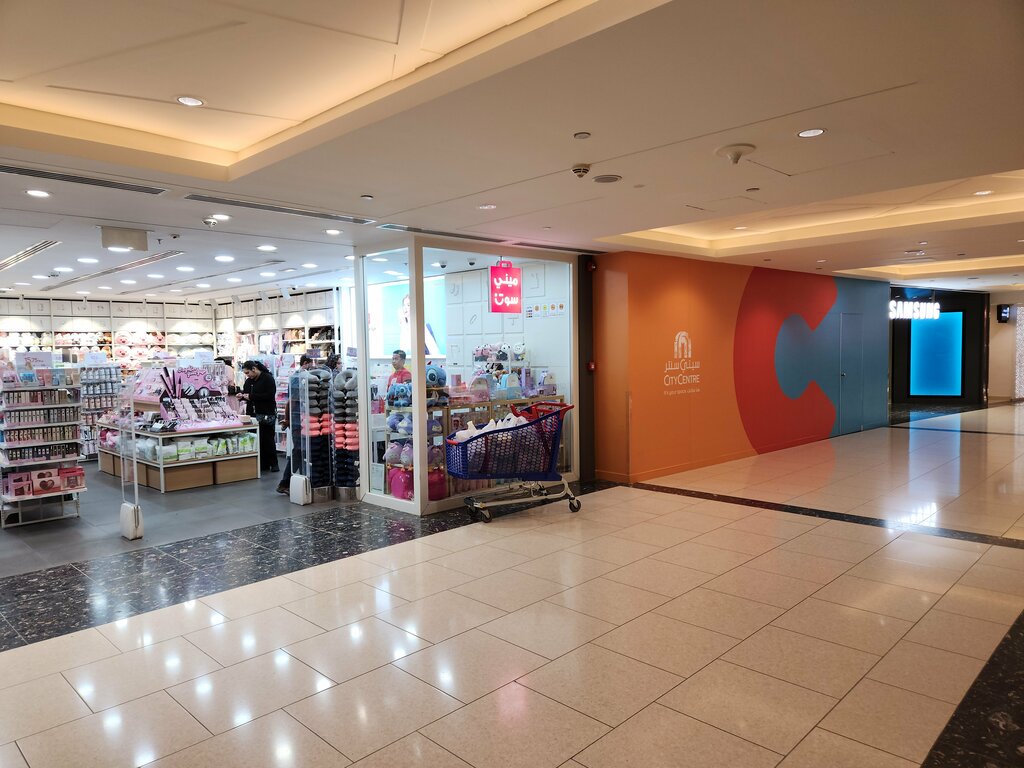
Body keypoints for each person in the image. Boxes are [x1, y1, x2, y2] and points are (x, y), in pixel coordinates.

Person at [237, 360, 279, 472]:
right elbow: (247, 394)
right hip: (252, 414)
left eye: (248, 372)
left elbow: (269, 395)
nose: (247, 375)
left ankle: (274, 464)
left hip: (266, 413)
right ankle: (262, 464)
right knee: (256, 439)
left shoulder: (268, 378)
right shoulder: (249, 381)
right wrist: (241, 396)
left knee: (267, 439)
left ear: (254, 369)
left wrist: (251, 397)